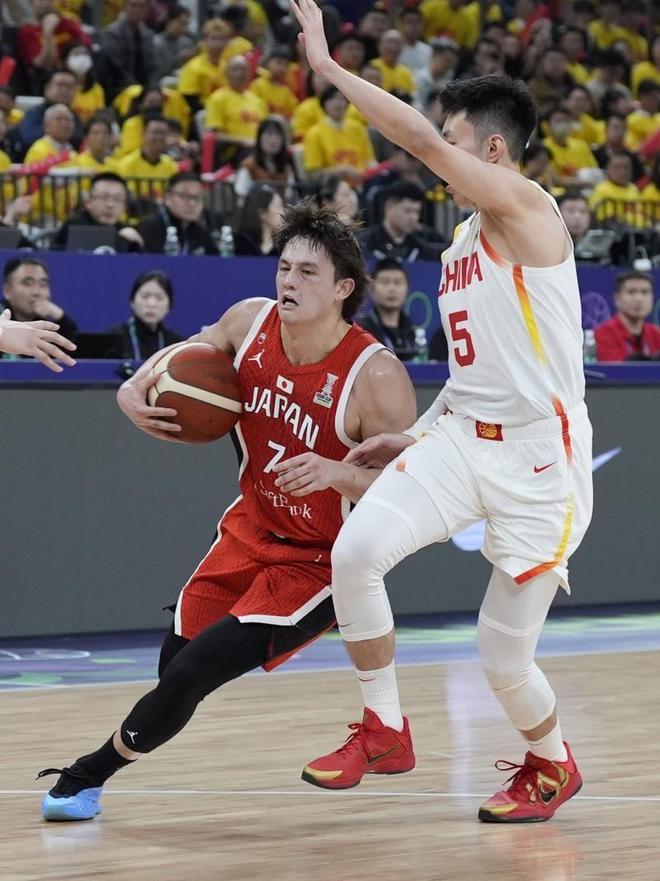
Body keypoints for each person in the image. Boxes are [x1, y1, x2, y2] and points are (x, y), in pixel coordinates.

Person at [292, 0, 594, 824]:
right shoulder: (462, 241)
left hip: (540, 459)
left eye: (454, 142)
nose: (438, 158)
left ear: (491, 150)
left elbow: (419, 140)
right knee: (356, 552)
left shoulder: (527, 209)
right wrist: (415, 432)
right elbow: (477, 370)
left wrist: (330, 68)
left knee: (501, 656)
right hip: (461, 437)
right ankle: (384, 728)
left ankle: (551, 761)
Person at [38, 199, 417, 821]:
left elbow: (411, 491)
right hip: (249, 530)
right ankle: (98, 770)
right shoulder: (249, 321)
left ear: (343, 289)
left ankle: (83, 778)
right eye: (284, 267)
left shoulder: (376, 377)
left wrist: (340, 473)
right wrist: (135, 385)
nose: (289, 281)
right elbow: (189, 350)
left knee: (191, 674)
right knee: (173, 670)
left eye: (307, 272)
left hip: (319, 562)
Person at [50, 172, 143, 252]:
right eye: (104, 197)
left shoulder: (125, 231)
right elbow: (55, 254)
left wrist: (136, 244)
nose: (110, 205)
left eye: (118, 199)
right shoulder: (75, 224)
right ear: (88, 202)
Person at [1, 257, 77, 354]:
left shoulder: (46, 327)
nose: (37, 292)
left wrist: (61, 318)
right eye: (28, 283)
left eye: (43, 284)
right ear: (7, 290)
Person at [105, 270, 183, 360]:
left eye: (159, 297)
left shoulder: (175, 344)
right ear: (132, 301)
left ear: (169, 305)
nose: (151, 304)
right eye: (145, 296)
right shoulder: (114, 338)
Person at [136, 171, 218, 255]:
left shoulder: (201, 232)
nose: (192, 203)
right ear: (167, 197)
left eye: (197, 197)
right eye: (184, 195)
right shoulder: (149, 227)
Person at [360, 181, 444, 262]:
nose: (414, 217)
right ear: (389, 207)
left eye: (417, 212)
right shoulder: (365, 245)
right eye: (407, 211)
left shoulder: (425, 249)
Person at [358, 259, 419, 361]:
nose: (392, 288)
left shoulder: (411, 330)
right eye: (385, 282)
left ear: (407, 288)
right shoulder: (361, 330)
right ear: (371, 289)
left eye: (398, 283)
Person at [97, 0, 156, 103]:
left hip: (143, 88)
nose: (136, 10)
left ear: (147, 10)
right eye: (133, 5)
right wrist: (139, 91)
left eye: (141, 6)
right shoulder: (113, 33)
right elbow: (117, 70)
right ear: (125, 7)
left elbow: (152, 67)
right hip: (118, 89)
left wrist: (152, 89)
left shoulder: (148, 35)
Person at [594, 271, 660, 361]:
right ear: (617, 298)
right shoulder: (603, 335)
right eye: (631, 292)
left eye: (644, 292)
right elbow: (615, 366)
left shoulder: (656, 334)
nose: (638, 299)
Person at [234, 117, 297, 200]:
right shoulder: (248, 166)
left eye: (278, 135)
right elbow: (240, 197)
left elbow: (289, 197)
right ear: (259, 138)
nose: (273, 140)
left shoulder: (286, 168)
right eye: (269, 134)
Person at [233, 181, 284, 256]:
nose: (284, 212)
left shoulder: (285, 246)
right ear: (262, 213)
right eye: (278, 207)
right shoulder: (242, 244)